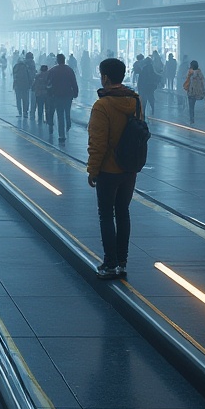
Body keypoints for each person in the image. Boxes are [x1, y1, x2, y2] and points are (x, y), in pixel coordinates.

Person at [87, 58, 141, 279]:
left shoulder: (103, 105)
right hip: (130, 167)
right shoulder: (135, 101)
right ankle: (122, 261)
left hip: (109, 169)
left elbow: (98, 141)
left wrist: (92, 169)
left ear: (106, 77)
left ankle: (109, 263)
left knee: (106, 215)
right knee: (123, 213)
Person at [46, 52, 79, 143]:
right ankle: (68, 125)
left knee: (60, 115)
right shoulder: (69, 70)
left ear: (57, 60)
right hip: (68, 95)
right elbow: (74, 83)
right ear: (64, 60)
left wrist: (50, 93)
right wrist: (75, 93)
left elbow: (48, 83)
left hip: (57, 95)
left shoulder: (53, 70)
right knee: (67, 112)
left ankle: (61, 135)